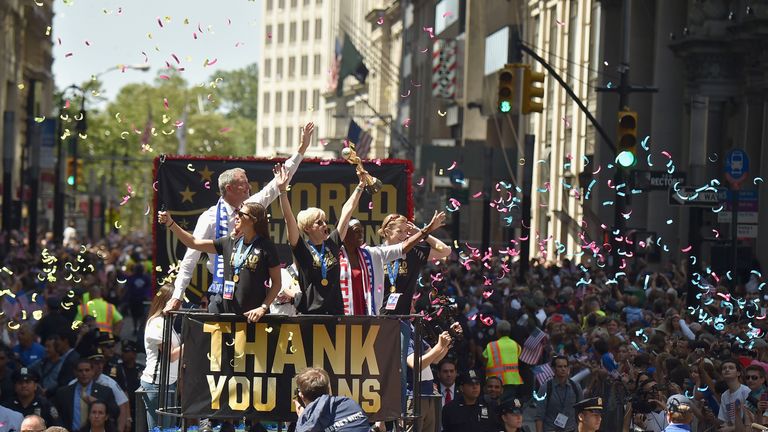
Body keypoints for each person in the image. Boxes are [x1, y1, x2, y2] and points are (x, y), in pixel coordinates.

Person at [165, 122, 314, 313]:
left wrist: (302, 149)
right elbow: (190, 258)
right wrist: (177, 296)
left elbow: (278, 183)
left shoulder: (251, 207)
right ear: (229, 188)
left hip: (252, 291)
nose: (249, 187)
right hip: (220, 292)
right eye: (243, 183)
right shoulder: (209, 218)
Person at [159, 198, 281, 320]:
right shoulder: (229, 242)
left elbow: (277, 283)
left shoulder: (266, 246)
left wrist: (263, 307)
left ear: (253, 220)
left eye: (240, 214)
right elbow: (193, 242)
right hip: (228, 316)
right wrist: (171, 223)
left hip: (254, 318)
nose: (236, 216)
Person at [278, 169, 360, 315]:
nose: (324, 225)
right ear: (308, 228)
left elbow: (347, 211)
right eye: (319, 222)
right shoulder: (301, 248)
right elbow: (289, 219)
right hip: (310, 313)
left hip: (335, 313)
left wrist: (361, 185)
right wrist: (282, 191)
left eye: (325, 221)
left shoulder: (332, 243)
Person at [377, 213, 451, 315]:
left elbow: (445, 251)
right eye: (399, 231)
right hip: (378, 317)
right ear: (387, 232)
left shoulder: (413, 252)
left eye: (406, 231)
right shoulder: (377, 253)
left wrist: (421, 233)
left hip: (402, 318)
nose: (404, 235)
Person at [139, 284, 181, 431]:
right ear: (167, 301)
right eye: (178, 300)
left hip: (168, 384)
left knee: (169, 429)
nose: (180, 304)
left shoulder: (168, 322)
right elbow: (170, 356)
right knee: (160, 430)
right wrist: (189, 343)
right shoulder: (157, 323)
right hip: (156, 384)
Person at [293, 367, 368, 432]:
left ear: (301, 395)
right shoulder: (350, 404)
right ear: (328, 389)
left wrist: (303, 418)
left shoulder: (304, 425)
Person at [54, 358, 118, 432]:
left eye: (87, 370)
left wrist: (97, 402)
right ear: (75, 372)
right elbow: (56, 415)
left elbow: (115, 412)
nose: (84, 373)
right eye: (80, 371)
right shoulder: (63, 393)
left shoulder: (105, 391)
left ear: (93, 371)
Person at [535, 356, 582, 432]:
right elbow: (539, 416)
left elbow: (581, 412)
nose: (563, 369)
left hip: (570, 429)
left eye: (565, 366)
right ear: (553, 369)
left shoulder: (576, 387)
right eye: (560, 366)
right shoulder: (545, 388)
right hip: (551, 429)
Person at [483, 320, 523, 401]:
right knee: (508, 405)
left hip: (494, 382)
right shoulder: (516, 345)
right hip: (512, 381)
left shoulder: (491, 346)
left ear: (498, 332)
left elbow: (484, 359)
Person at [719, 359, 751, 428]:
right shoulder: (724, 395)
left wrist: (730, 428)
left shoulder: (746, 391)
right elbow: (725, 420)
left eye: (731, 368)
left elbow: (750, 421)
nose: (727, 370)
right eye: (724, 368)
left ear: (738, 373)